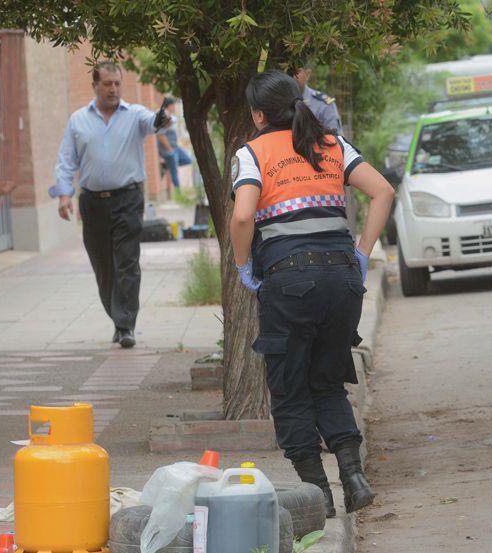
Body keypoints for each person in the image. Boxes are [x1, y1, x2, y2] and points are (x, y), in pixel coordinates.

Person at [229, 70, 394, 517]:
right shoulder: (333, 144)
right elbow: (382, 191)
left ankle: (318, 494)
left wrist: (244, 266)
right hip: (342, 281)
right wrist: (361, 254)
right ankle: (354, 478)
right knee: (327, 383)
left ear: (258, 114)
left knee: (290, 391)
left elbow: (244, 217)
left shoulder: (252, 153)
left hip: (289, 283)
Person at [50, 62, 171, 348]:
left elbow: (155, 123)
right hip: (92, 202)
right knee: (103, 266)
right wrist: (64, 195)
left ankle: (126, 324)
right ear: (95, 86)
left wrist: (163, 120)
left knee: (127, 262)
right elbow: (66, 161)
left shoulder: (135, 115)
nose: (113, 89)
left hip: (127, 199)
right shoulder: (78, 120)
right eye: (107, 84)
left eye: (117, 83)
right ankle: (118, 317)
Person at [157, 98, 193, 190]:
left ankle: (167, 165)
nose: (175, 107)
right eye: (173, 105)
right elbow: (160, 135)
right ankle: (178, 192)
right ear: (169, 105)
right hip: (168, 149)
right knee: (174, 171)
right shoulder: (163, 116)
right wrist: (169, 150)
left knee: (188, 159)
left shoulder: (172, 117)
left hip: (175, 147)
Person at [293, 65, 343, 133]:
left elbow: (335, 139)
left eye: (296, 72)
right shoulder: (278, 102)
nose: (292, 76)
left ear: (307, 74)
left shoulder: (323, 105)